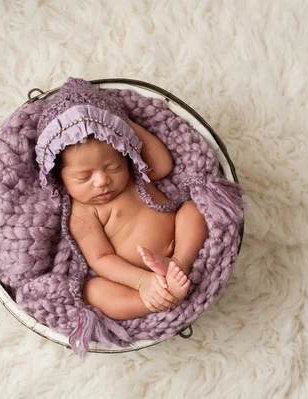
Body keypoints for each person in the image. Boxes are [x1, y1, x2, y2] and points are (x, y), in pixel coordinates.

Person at [35, 79, 208, 320]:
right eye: (83, 177)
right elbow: (101, 259)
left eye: (113, 167)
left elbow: (163, 164)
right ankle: (151, 301)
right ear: (59, 178)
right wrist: (141, 281)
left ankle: (180, 264)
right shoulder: (82, 213)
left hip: (177, 244)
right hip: (132, 279)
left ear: (125, 155)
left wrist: (121, 126)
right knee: (93, 291)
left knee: (194, 209)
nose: (102, 181)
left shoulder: (135, 174)